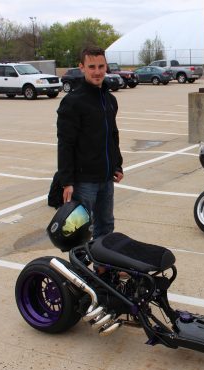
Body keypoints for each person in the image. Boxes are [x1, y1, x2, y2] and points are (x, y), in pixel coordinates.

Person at [57, 46, 123, 239]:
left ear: (106, 67)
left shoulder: (110, 100)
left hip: (106, 178)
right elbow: (65, 143)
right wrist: (67, 181)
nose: (97, 71)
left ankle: (102, 268)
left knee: (106, 225)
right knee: (80, 229)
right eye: (92, 66)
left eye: (101, 66)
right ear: (82, 67)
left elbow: (113, 135)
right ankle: (79, 268)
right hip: (83, 181)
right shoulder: (72, 102)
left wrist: (117, 164)